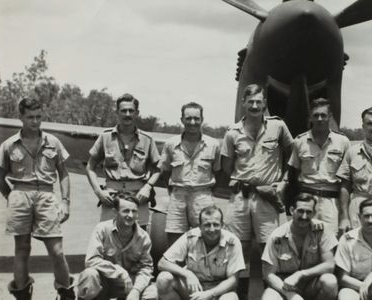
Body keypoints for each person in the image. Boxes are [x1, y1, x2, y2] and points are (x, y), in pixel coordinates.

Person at [0, 98, 75, 300]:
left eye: (38, 117)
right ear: (21, 117)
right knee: (22, 249)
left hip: (47, 195)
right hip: (20, 194)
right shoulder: (9, 144)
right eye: (30, 117)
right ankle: (22, 295)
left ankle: (66, 293)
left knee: (57, 250)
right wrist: (10, 196)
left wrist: (65, 201)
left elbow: (63, 173)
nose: (35, 121)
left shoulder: (53, 142)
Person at [221, 83, 293, 298]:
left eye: (258, 102)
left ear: (264, 104)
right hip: (241, 197)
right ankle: (239, 295)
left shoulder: (278, 127)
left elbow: (293, 153)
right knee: (238, 248)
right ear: (243, 103)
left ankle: (268, 295)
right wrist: (239, 179)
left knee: (267, 249)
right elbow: (226, 165)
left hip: (266, 197)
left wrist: (284, 181)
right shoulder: (232, 133)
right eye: (250, 102)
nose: (254, 106)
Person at [86, 93, 161, 228]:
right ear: (117, 112)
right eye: (123, 110)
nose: (127, 114)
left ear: (137, 113)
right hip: (112, 197)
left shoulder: (147, 140)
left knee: (139, 241)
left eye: (131, 111)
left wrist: (148, 188)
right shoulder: (106, 137)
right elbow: (90, 166)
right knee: (109, 238)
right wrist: (98, 191)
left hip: (138, 197)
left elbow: (158, 169)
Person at [158, 102, 222, 245]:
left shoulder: (213, 144)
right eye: (188, 119)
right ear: (182, 120)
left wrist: (207, 191)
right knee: (175, 240)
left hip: (203, 195)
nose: (192, 122)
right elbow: (165, 171)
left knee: (208, 237)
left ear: (202, 119)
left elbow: (218, 171)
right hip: (178, 196)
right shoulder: (170, 144)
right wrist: (174, 189)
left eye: (196, 118)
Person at [77, 192, 157, 300]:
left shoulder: (143, 237)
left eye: (134, 211)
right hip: (105, 281)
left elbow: (146, 268)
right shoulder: (102, 229)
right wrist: (119, 271)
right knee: (89, 275)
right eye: (125, 211)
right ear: (115, 212)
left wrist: (136, 290)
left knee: (153, 293)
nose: (130, 215)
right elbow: (91, 260)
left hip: (128, 283)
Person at [288, 98, 350, 235]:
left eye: (323, 115)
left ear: (330, 117)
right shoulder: (300, 141)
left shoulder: (343, 142)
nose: (320, 119)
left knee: (331, 241)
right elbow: (294, 174)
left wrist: (344, 214)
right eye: (316, 115)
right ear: (310, 117)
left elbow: (346, 179)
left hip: (332, 202)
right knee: (305, 239)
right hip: (307, 200)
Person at [156, 205, 245, 300]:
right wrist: (187, 274)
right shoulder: (190, 237)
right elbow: (162, 263)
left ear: (222, 225)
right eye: (207, 225)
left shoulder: (232, 242)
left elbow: (233, 280)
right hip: (193, 286)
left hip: (219, 290)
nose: (212, 229)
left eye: (216, 224)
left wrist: (210, 294)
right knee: (163, 279)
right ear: (200, 227)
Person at [261, 193, 339, 300]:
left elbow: (329, 265)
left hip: (311, 283)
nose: (304, 216)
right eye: (300, 211)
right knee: (269, 298)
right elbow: (269, 275)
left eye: (309, 212)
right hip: (285, 284)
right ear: (292, 210)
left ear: (314, 213)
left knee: (330, 281)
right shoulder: (277, 236)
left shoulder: (322, 229)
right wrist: (290, 295)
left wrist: (301, 274)